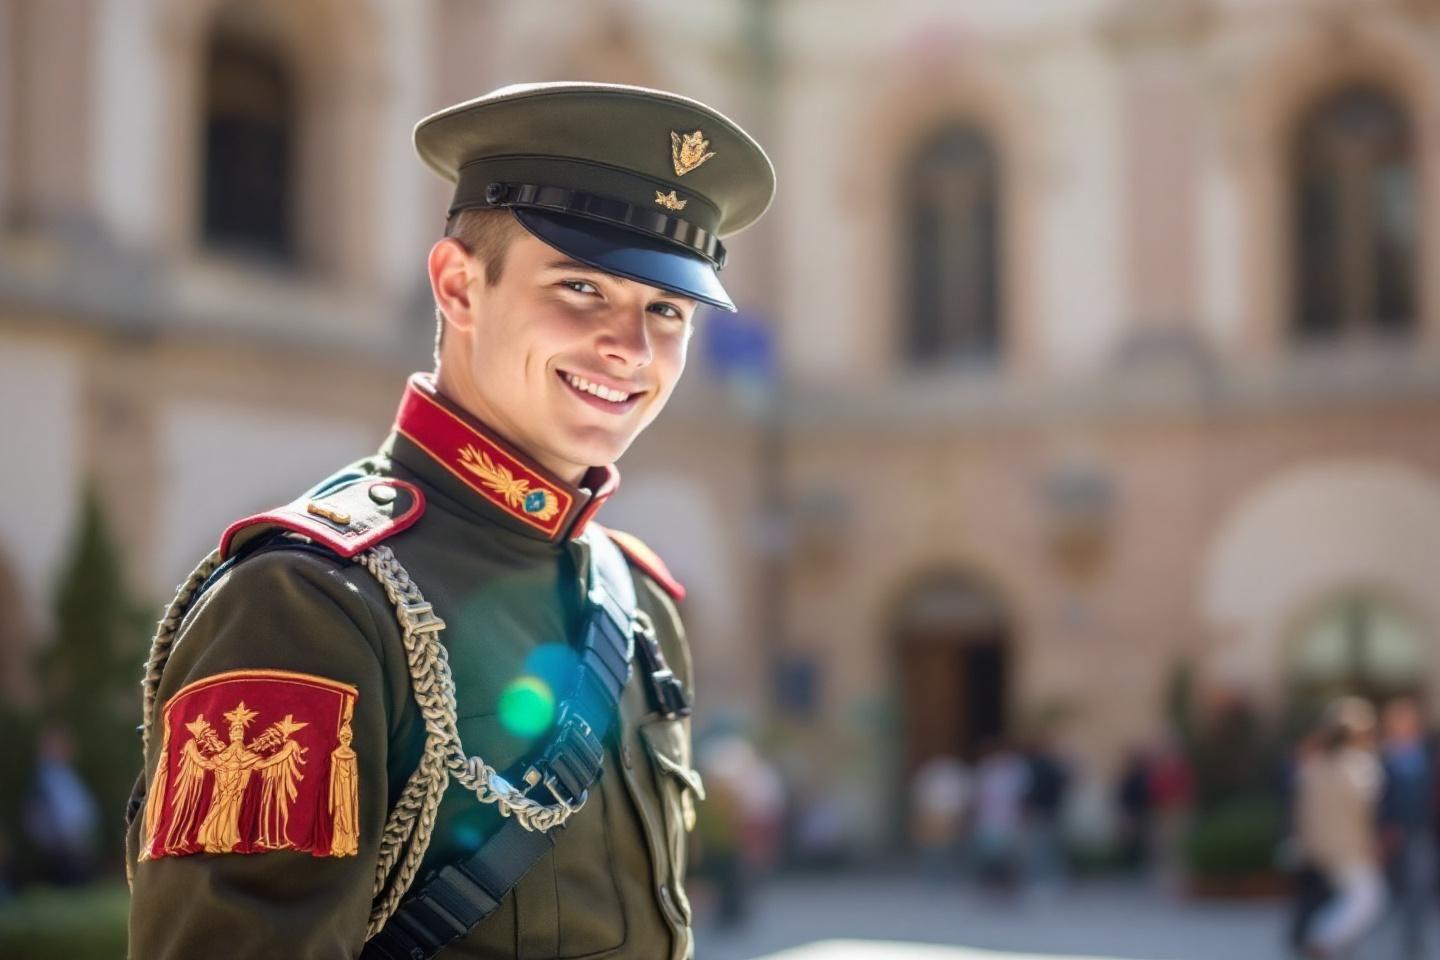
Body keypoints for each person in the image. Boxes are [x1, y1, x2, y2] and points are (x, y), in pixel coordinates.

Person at [124, 81, 775, 959]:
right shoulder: (308, 604)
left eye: (665, 309)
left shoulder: (637, 599)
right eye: (580, 287)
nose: (631, 348)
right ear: (459, 286)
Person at [1296, 697, 1387, 959]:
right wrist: (1372, 842)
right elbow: (1365, 812)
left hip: (1324, 848)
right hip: (1350, 847)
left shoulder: (1314, 766)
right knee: (1369, 899)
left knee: (1351, 899)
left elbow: (1304, 813)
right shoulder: (1360, 766)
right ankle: (1322, 939)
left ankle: (1330, 943)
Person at [1376, 697, 1434, 960]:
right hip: (1390, 832)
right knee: (1388, 890)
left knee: (1419, 887)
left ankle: (1413, 941)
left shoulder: (1427, 752)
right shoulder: (1381, 755)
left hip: (1421, 830)